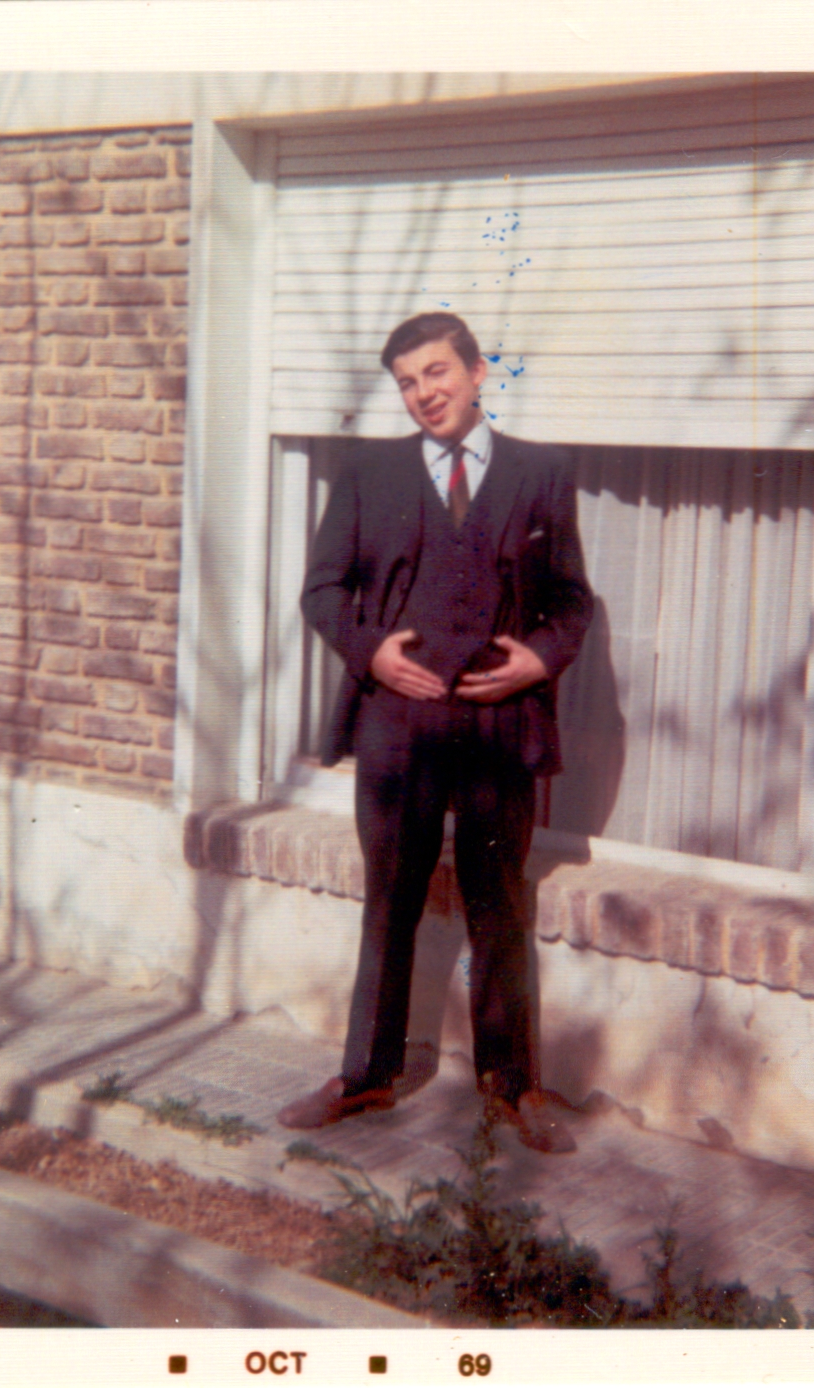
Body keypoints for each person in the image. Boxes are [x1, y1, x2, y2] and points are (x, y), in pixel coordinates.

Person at [277, 312, 594, 1154]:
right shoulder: (367, 473)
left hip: (497, 726)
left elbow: (572, 602)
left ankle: (512, 1086)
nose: (424, 393)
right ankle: (365, 1074)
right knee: (389, 900)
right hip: (398, 727)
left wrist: (538, 659)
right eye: (407, 382)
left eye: (437, 372)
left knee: (500, 906)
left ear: (477, 371)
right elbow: (321, 591)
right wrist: (371, 652)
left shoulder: (540, 472)